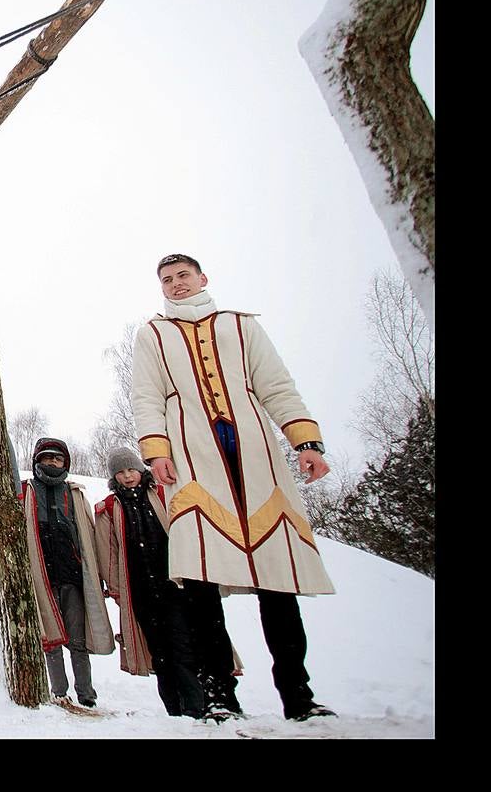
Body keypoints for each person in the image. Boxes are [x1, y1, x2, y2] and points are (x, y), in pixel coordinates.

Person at [131, 253, 336, 722]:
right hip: (193, 464)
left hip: (257, 460)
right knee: (202, 582)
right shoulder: (154, 333)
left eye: (184, 276)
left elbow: (276, 386)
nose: (177, 284)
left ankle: (298, 696)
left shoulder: (242, 327)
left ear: (203, 278)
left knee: (277, 583)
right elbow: (145, 394)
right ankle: (220, 694)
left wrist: (305, 441)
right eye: (168, 279)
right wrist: (157, 450)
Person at [93, 447, 208, 719]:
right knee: (160, 652)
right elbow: (107, 551)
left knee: (183, 645)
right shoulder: (110, 508)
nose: (128, 476)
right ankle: (174, 710)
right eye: (120, 473)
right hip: (140, 590)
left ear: (140, 470)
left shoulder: (160, 495)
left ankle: (195, 705)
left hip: (173, 585)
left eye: (131, 470)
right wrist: (117, 588)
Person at [18, 439, 114, 709]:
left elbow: (88, 535)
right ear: (37, 461)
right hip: (42, 575)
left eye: (57, 459)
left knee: (77, 638)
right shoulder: (27, 491)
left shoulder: (74, 494)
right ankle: (59, 690)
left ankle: (86, 692)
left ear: (65, 463)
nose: (52, 463)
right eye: (47, 458)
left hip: (71, 575)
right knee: (51, 637)